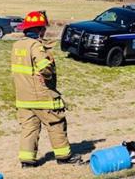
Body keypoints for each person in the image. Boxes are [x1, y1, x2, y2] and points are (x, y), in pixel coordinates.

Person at [10, 10, 84, 167]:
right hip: (42, 96)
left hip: (23, 98)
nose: (45, 31)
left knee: (29, 129)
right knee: (56, 123)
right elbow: (44, 68)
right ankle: (64, 157)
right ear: (38, 29)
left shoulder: (17, 46)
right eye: (43, 28)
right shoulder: (36, 46)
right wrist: (48, 74)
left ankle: (27, 161)